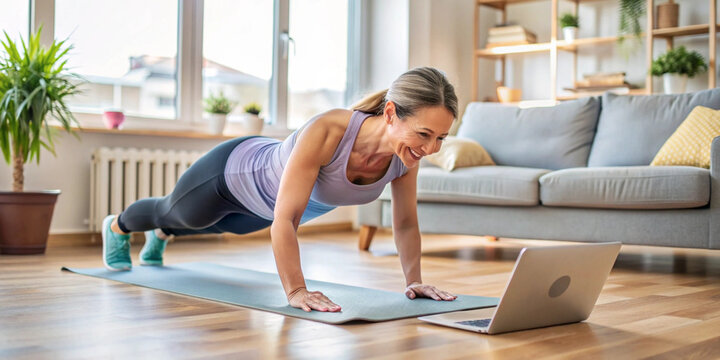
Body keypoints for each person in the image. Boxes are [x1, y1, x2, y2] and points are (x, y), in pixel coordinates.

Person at [101, 66, 459, 312]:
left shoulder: (404, 158)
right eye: (424, 134)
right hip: (232, 175)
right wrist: (296, 290)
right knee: (176, 213)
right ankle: (118, 226)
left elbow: (406, 224)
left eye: (441, 137)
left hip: (265, 209)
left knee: (219, 227)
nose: (431, 149)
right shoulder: (330, 130)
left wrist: (415, 281)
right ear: (392, 113)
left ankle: (162, 235)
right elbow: (286, 219)